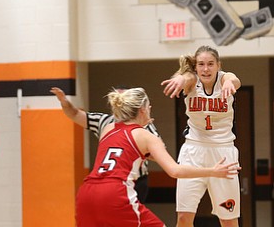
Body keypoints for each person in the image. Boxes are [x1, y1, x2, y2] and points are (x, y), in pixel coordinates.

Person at [54, 86, 240, 227]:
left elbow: (75, 115)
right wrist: (213, 171)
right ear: (143, 110)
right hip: (115, 192)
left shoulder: (107, 128)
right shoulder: (146, 135)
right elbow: (174, 170)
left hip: (86, 193)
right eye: (148, 106)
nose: (150, 109)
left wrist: (65, 103)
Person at [161, 45, 241, 227]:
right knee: (183, 217)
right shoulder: (191, 80)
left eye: (211, 64)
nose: (206, 69)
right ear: (195, 67)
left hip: (223, 152)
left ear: (219, 65)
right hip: (194, 150)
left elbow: (233, 79)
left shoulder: (225, 79)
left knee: (228, 219)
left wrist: (230, 82)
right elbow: (186, 77)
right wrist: (180, 78)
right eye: (201, 64)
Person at [50, 86, 160, 204]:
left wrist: (141, 150)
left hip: (133, 181)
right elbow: (75, 114)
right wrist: (65, 102)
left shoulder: (144, 126)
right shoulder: (104, 121)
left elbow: (158, 154)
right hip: (111, 181)